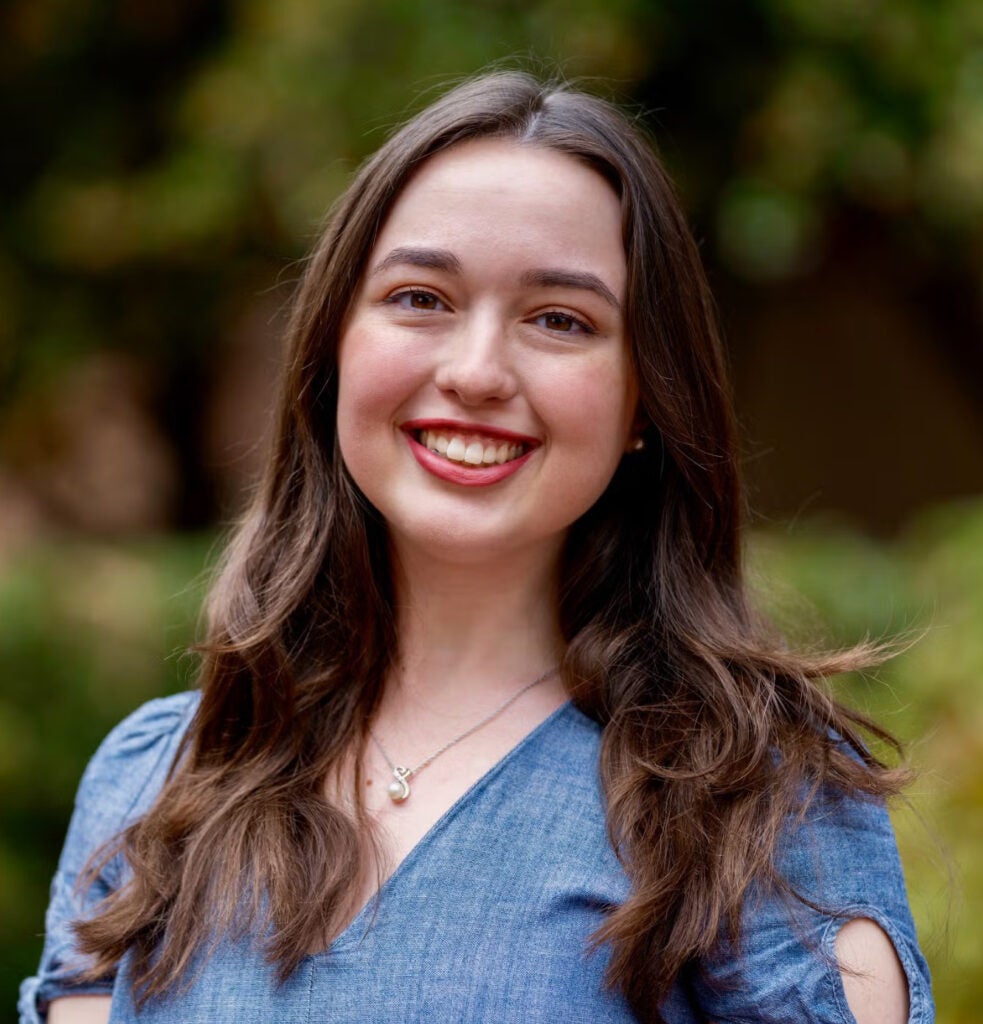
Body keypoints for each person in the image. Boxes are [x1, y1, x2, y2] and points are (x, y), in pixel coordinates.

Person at [20, 71, 934, 1024]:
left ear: (644, 401)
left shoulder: (759, 798)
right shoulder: (157, 779)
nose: (477, 372)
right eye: (421, 298)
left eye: (559, 320)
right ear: (334, 351)